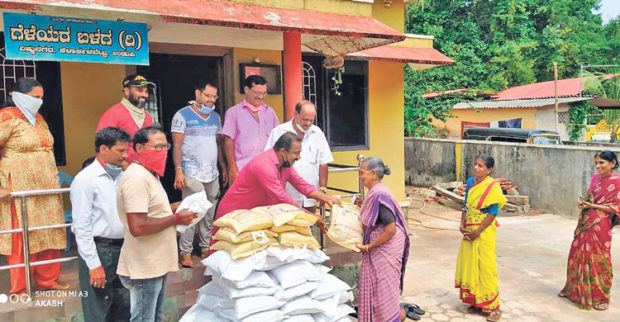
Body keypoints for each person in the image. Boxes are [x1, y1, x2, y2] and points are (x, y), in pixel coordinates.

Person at [116, 125, 197, 322]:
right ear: (139, 148)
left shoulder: (150, 174)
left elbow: (151, 210)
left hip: (156, 261)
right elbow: (138, 226)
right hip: (145, 264)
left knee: (156, 316)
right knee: (144, 318)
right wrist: (176, 218)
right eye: (157, 147)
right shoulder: (136, 178)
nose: (163, 152)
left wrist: (174, 208)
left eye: (165, 147)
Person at [210, 132, 340, 250]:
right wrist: (310, 216)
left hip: (255, 217)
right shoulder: (264, 164)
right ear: (283, 152)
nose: (298, 157)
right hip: (233, 215)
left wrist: (327, 198)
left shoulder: (285, 164)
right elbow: (281, 197)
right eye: (296, 153)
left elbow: (303, 185)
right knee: (225, 254)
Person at [0, 78, 68, 293]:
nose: (40, 101)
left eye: (42, 97)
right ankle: (20, 287)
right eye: (35, 97)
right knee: (23, 234)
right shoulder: (6, 118)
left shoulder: (39, 120)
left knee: (48, 232)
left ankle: (47, 280)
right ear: (19, 96)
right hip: (19, 186)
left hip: (46, 187)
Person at [70, 127, 131, 321]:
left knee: (124, 307)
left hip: (124, 249)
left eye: (126, 150)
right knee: (98, 310)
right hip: (100, 249)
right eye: (120, 151)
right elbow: (81, 225)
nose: (125, 155)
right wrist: (94, 264)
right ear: (103, 149)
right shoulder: (86, 179)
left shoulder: (124, 176)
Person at [171, 80, 226, 267]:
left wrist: (223, 166)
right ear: (197, 94)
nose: (211, 100)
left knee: (209, 212)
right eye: (207, 95)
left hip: (212, 172)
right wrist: (179, 171)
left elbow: (218, 144)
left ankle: (205, 247)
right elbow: (177, 145)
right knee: (192, 210)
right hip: (191, 172)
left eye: (214, 97)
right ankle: (185, 252)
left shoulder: (216, 117)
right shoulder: (182, 116)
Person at [559, 150, 620, 310]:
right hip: (585, 221)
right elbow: (590, 198)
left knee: (599, 258)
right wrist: (584, 203)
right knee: (577, 254)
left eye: (602, 163)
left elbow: (616, 207)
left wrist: (592, 206)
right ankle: (573, 290)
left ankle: (601, 297)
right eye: (596, 163)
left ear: (612, 163)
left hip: (601, 224)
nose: (598, 166)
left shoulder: (618, 181)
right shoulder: (595, 178)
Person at [353, 157, 410, 322]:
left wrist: (370, 246)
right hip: (384, 245)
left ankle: (390, 317)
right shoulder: (375, 192)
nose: (360, 176)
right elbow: (377, 214)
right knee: (378, 291)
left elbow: (390, 229)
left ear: (373, 174)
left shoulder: (379, 193)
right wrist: (363, 204)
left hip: (387, 248)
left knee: (383, 290)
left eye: (361, 173)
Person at [455, 154, 507, 322]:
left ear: (489, 170)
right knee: (470, 264)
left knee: (486, 267)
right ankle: (475, 301)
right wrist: (462, 223)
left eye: (481, 166)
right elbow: (465, 204)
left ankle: (493, 307)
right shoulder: (470, 182)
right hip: (468, 229)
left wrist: (477, 232)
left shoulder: (492, 187)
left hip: (483, 231)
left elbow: (493, 213)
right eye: (476, 164)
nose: (477, 168)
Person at [265, 101, 333, 213]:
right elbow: (269, 162)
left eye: (311, 120)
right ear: (296, 114)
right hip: (286, 195)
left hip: (310, 196)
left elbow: (323, 162)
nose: (308, 124)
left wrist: (323, 189)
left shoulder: (317, 133)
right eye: (305, 119)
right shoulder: (279, 132)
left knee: (310, 226)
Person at [221, 75, 279, 183]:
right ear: (246, 90)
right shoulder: (234, 112)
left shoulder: (270, 112)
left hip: (267, 170)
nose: (261, 97)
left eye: (263, 93)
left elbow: (278, 139)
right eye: (257, 93)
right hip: (243, 169)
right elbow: (228, 141)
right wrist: (233, 169)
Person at [96, 74, 155, 164]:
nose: (144, 95)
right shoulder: (113, 113)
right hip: (120, 171)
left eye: (146, 91)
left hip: (143, 169)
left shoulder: (147, 117)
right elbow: (102, 143)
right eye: (139, 90)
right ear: (127, 91)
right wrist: (123, 163)